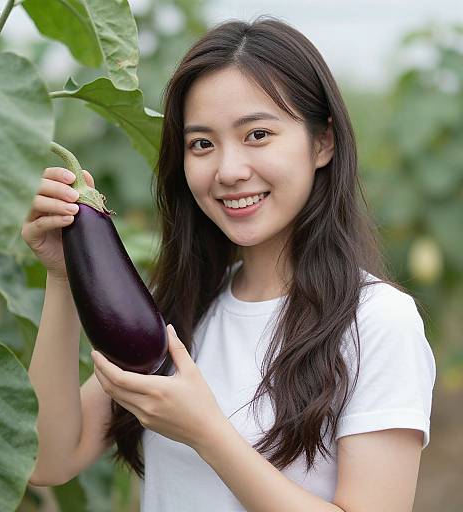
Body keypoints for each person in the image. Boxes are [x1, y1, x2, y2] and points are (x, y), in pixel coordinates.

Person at [22, 16, 436, 512]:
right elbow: (48, 458)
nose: (229, 170)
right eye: (202, 144)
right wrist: (63, 277)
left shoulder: (377, 322)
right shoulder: (183, 312)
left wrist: (206, 433)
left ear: (322, 142)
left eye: (257, 134)